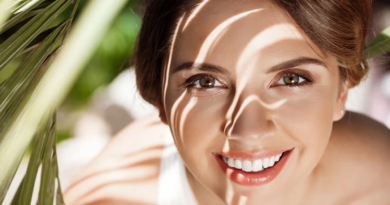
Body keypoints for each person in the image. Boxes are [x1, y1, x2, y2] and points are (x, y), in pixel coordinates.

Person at [64, 0, 390, 204]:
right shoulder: (109, 197)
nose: (249, 133)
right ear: (159, 96)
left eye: (291, 79)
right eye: (205, 82)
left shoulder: (379, 178)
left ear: (342, 89)